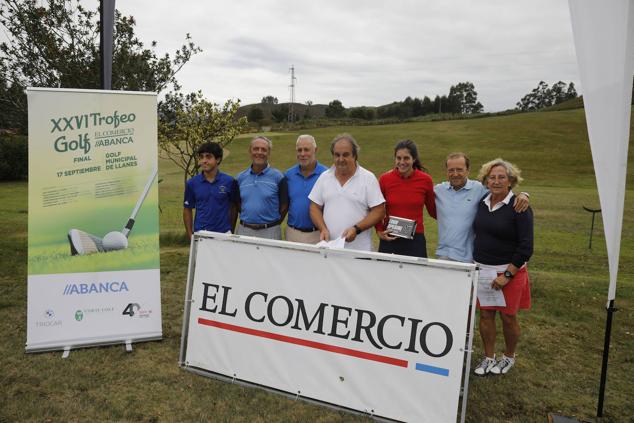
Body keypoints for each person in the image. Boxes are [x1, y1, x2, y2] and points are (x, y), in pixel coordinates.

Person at [472, 158, 533, 376]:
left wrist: (507, 275)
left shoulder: (519, 206)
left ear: (511, 181)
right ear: (486, 181)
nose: (496, 181)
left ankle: (508, 356)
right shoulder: (482, 202)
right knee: (486, 316)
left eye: (501, 177)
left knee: (508, 317)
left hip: (509, 271)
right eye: (492, 177)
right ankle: (489, 357)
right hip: (483, 270)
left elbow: (526, 247)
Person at [434, 152, 529, 262]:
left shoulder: (479, 189)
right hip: (443, 254)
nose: (455, 174)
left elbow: (502, 189)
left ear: (468, 170)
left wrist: (524, 194)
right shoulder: (438, 190)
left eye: (459, 169)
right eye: (451, 170)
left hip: (469, 257)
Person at [308, 133, 385, 251]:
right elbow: (314, 207)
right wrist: (323, 228)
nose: (340, 159)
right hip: (330, 248)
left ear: (355, 156)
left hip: (359, 251)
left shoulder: (368, 178)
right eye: (337, 155)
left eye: (346, 155)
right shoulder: (324, 177)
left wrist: (356, 229)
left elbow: (379, 210)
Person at [375, 140, 436, 258]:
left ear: (414, 159)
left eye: (406, 158)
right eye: (398, 158)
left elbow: (434, 211)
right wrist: (379, 230)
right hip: (390, 237)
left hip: (415, 240)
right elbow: (376, 209)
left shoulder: (425, 180)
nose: (402, 162)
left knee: (416, 276)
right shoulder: (384, 179)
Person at [234, 136, 288, 240]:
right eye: (256, 149)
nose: (259, 152)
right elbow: (238, 204)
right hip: (244, 231)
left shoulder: (278, 177)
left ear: (269, 153)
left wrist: (271, 223)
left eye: (264, 150)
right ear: (250, 151)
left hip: (270, 231)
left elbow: (284, 206)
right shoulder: (240, 178)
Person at [183, 141, 237, 240]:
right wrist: (190, 235)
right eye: (201, 157)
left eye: (208, 157)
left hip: (224, 235)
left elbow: (234, 208)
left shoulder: (229, 181)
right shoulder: (192, 183)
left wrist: (231, 231)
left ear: (218, 159)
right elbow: (187, 209)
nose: (204, 161)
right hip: (201, 235)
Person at [284, 135, 328, 244]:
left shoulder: (327, 175)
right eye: (299, 150)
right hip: (292, 233)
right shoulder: (288, 175)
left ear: (315, 150)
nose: (302, 154)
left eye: (306, 150)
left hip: (317, 234)